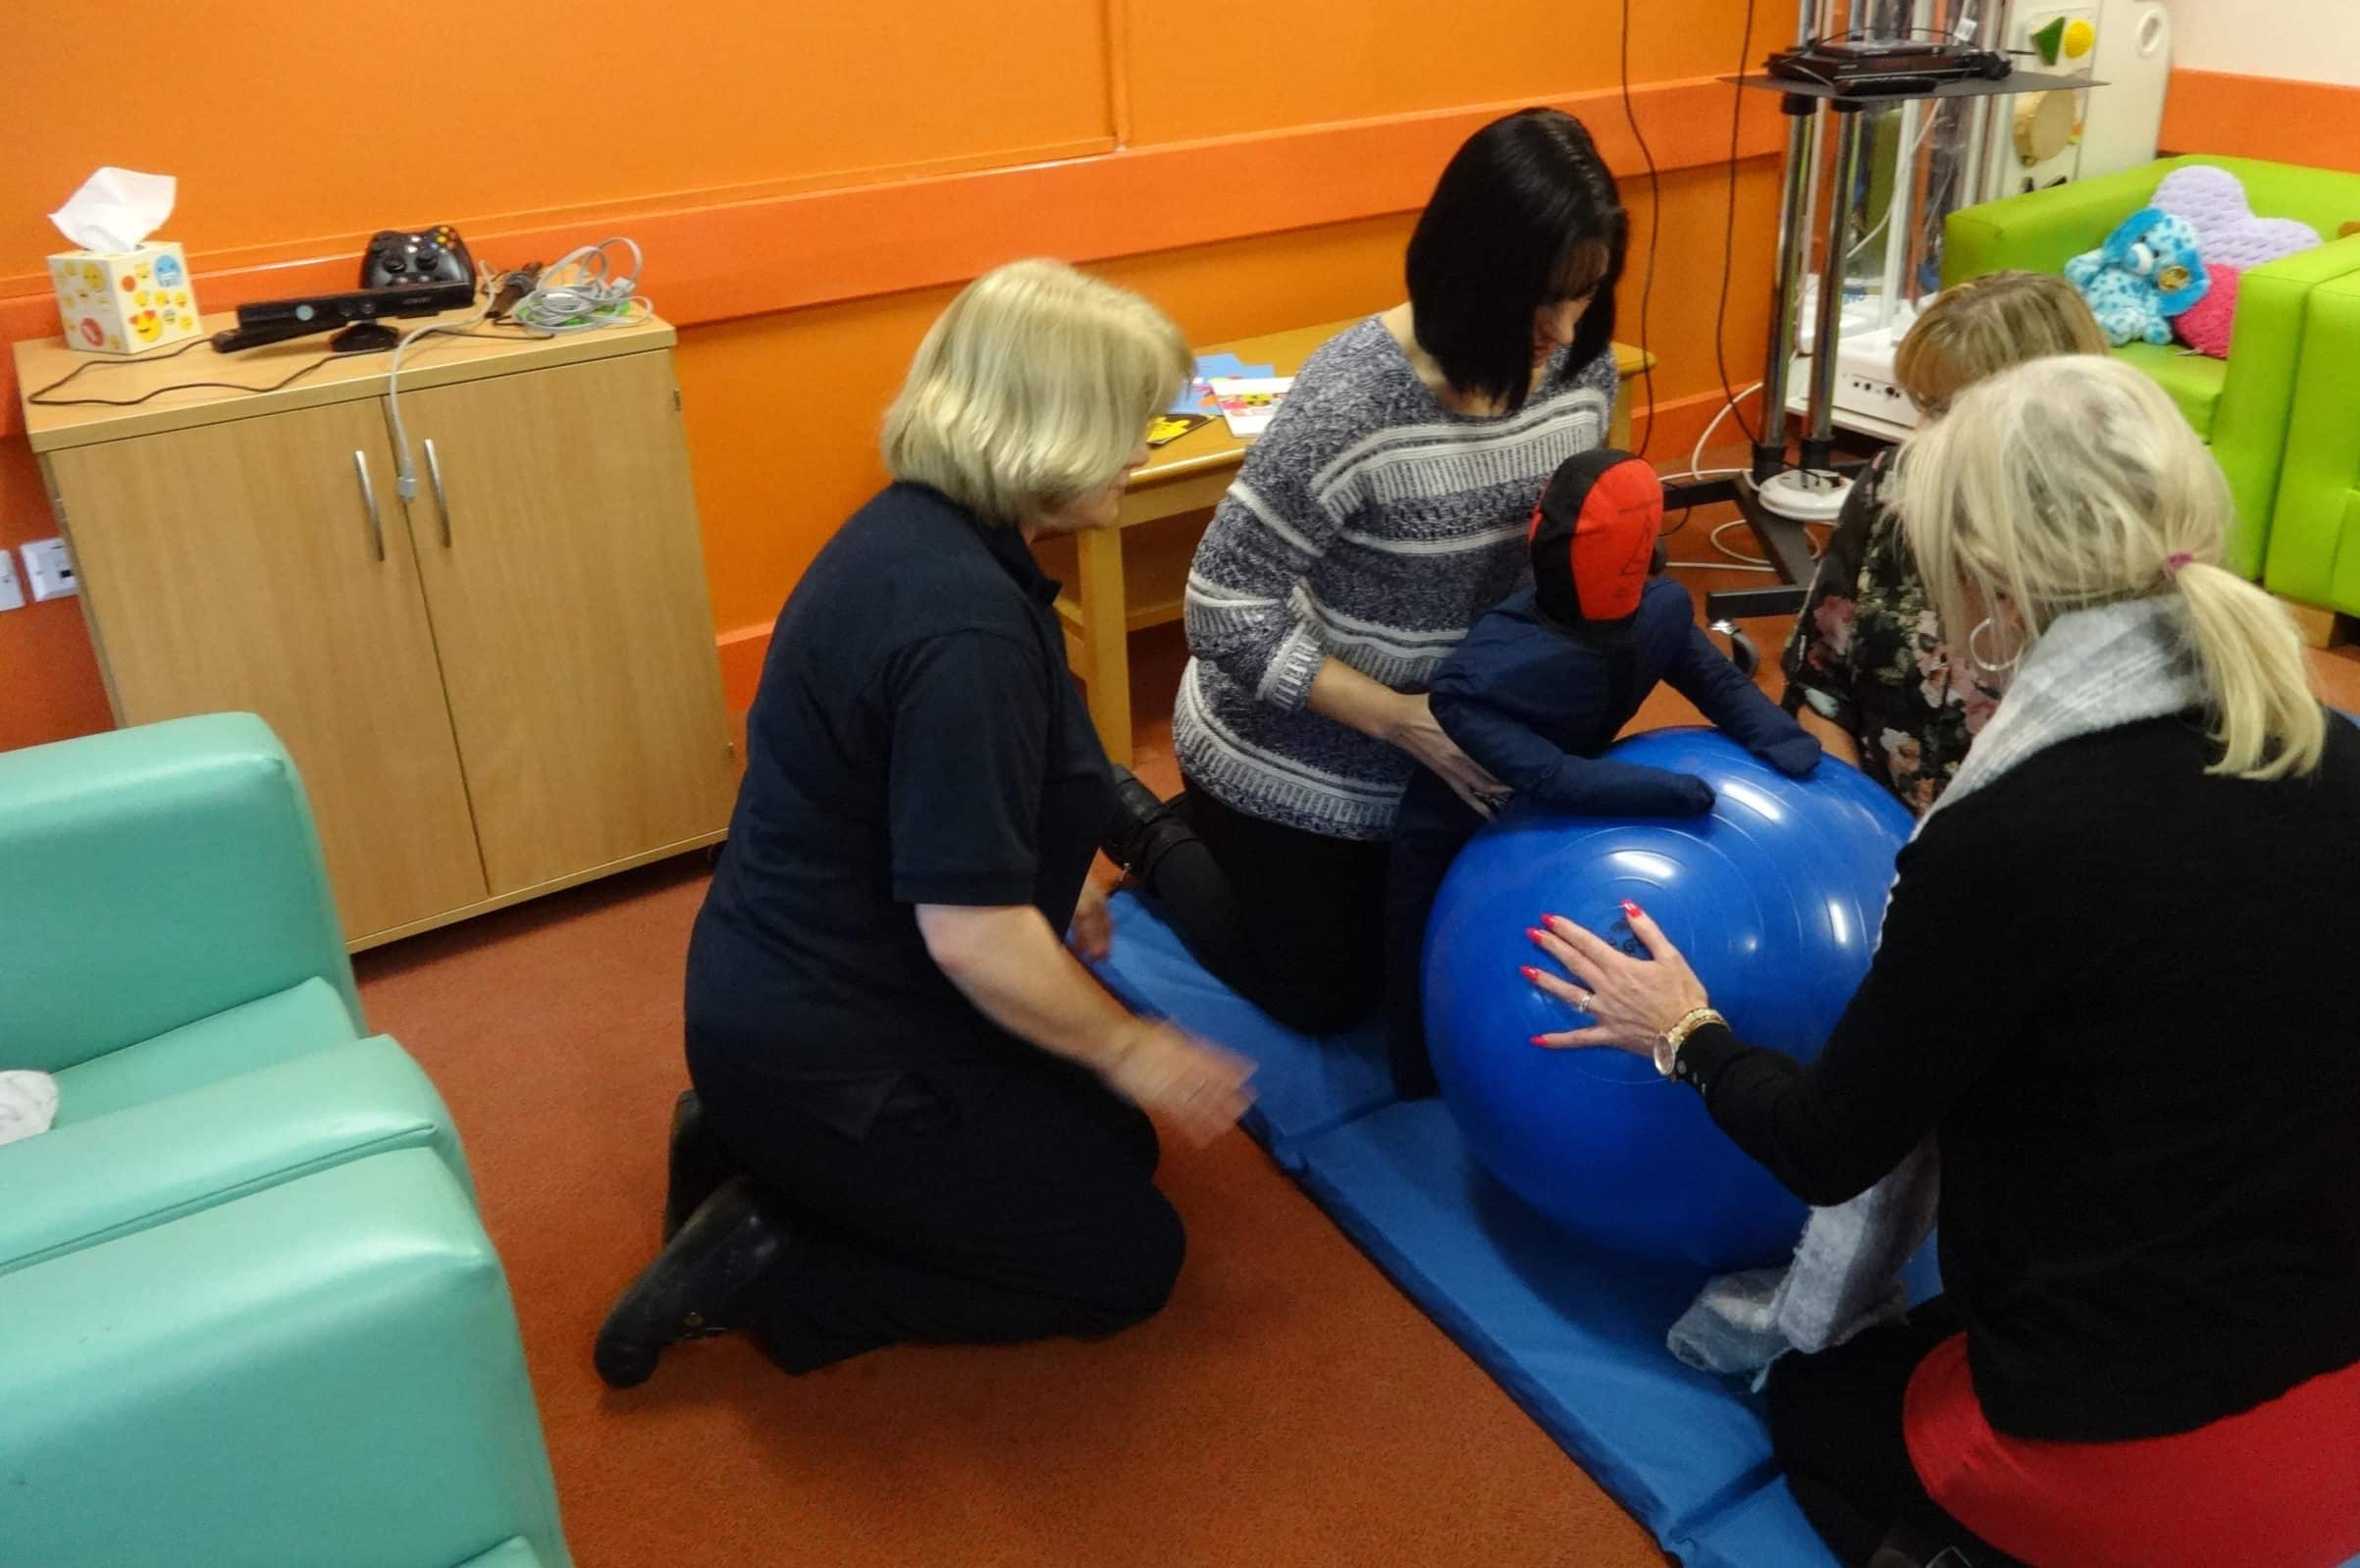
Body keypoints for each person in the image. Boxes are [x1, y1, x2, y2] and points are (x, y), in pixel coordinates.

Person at [1523, 355, 2360, 1568]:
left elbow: (1830, 1145)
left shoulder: (2008, 839)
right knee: (1951, 1321)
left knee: (1816, 1404)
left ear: (1985, 584)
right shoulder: (2326, 745)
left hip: (2185, 1468)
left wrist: (1685, 1031)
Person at [595, 260, 1256, 1387]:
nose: (1146, 444)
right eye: (1126, 420)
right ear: (1044, 432)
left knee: (1118, 1147)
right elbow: (974, 937)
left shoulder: (914, 537)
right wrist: (1132, 1043)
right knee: (1128, 1260)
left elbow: (935, 795)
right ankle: (776, 1272)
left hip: (798, 999)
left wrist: (1058, 868)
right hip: (842, 1050)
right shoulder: (966, 633)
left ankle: (749, 1146)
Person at [1103, 107, 1630, 1035]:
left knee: (1478, 972)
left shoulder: (1582, 371)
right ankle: (1147, 824)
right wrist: (1402, 722)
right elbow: (1223, 607)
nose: (1564, 325)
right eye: (1541, 297)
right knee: (1329, 1001)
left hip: (1464, 744)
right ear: (1467, 273)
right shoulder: (1350, 399)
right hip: (1298, 751)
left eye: (1586, 292)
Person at [1380, 448, 1819, 1097]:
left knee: (1432, 932)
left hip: (1507, 812)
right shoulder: (1650, 614)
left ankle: (1421, 1068)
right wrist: (1682, 788)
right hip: (1490, 812)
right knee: (1416, 945)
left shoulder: (1496, 669)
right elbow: (1557, 772)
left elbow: (1708, 690)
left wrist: (1780, 747)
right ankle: (1417, 1070)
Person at [1778, 271, 2107, 811]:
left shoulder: (2116, 549)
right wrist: (1855, 828)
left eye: (1952, 413)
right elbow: (1819, 684)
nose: (1922, 438)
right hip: (1876, 828)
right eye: (1925, 406)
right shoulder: (1893, 484)